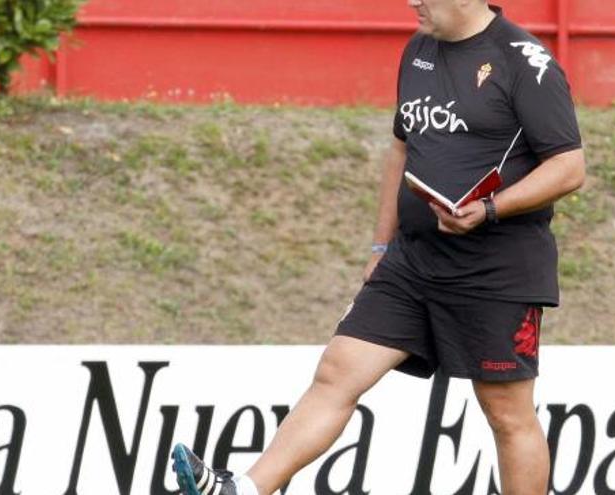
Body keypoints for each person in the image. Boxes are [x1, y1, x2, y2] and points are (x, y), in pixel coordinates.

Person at [172, 0, 585, 493]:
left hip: (495, 271)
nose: (412, 1)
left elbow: (568, 167)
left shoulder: (525, 61)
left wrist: (490, 209)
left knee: (507, 415)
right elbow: (401, 148)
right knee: (337, 371)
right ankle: (244, 488)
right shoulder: (418, 50)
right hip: (411, 262)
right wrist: (379, 246)